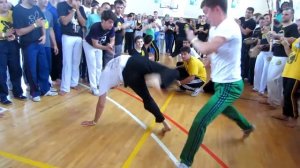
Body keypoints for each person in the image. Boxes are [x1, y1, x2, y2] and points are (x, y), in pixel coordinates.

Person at [178, 0, 254, 167]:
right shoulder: (214, 28)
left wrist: (191, 37)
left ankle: (185, 162)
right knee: (225, 108)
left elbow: (206, 48)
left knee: (200, 121)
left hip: (230, 86)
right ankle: (247, 126)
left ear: (217, 9)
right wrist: (208, 61)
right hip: (219, 82)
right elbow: (213, 52)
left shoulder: (229, 26)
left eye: (206, 11)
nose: (205, 16)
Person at [81, 55, 179, 132]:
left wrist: (94, 121)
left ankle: (166, 124)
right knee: (165, 70)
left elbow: (101, 105)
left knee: (147, 99)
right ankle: (173, 78)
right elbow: (116, 81)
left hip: (129, 73)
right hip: (134, 60)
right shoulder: (110, 63)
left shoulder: (103, 80)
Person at [83, 10, 115, 96]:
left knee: (99, 65)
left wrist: (110, 45)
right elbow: (95, 44)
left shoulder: (111, 27)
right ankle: (93, 88)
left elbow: (112, 40)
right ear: (103, 21)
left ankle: (98, 83)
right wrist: (107, 48)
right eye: (110, 22)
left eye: (113, 22)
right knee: (92, 66)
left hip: (99, 45)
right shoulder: (95, 27)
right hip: (89, 45)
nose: (112, 25)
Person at [271, 36, 299, 127]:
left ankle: (295, 118)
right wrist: (286, 46)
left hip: (297, 72)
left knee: (291, 95)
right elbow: (291, 54)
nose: (298, 27)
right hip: (288, 70)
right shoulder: (298, 39)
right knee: (286, 93)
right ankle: (285, 114)